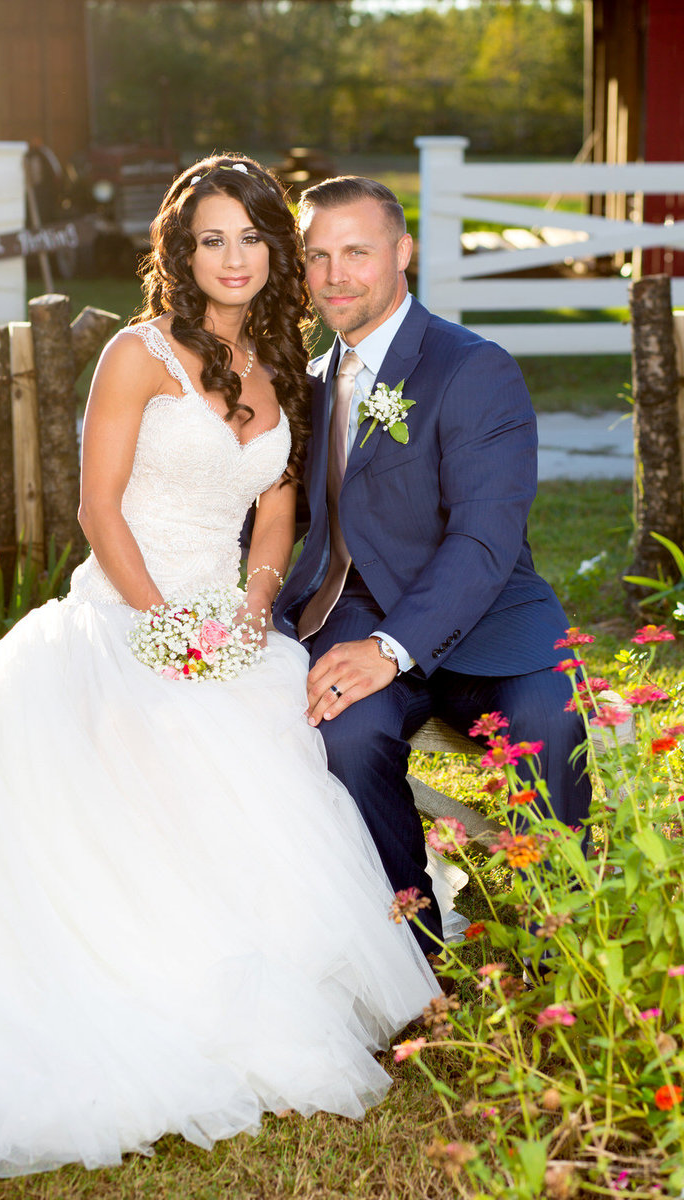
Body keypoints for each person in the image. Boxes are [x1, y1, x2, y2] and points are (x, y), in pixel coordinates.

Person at [0, 157, 465, 1179]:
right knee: (148, 766)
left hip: (226, 619)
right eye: (211, 239)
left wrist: (248, 608)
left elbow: (277, 509)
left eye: (251, 237)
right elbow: (99, 507)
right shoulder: (136, 354)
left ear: (275, 252)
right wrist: (161, 627)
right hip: (123, 611)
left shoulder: (282, 360)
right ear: (181, 252)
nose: (233, 258)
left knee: (285, 746)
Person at [274, 176, 592, 950]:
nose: (336, 275)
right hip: (353, 618)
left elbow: (484, 541)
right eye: (318, 256)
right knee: (345, 735)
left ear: (403, 253)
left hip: (489, 619)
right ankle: (409, 941)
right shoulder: (308, 386)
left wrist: (390, 649)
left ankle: (563, 938)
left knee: (550, 720)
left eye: (357, 251)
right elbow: (296, 521)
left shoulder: (472, 368)